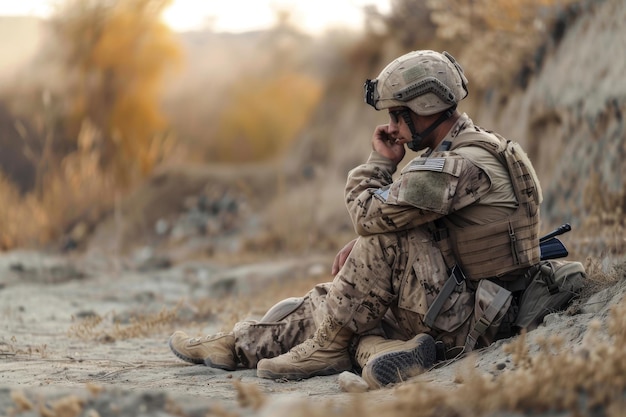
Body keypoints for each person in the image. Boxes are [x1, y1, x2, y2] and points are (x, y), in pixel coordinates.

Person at [168, 50, 543, 389]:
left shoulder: (459, 166)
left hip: (471, 324)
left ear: (425, 106)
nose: (393, 127)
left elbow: (368, 216)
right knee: (340, 302)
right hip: (473, 308)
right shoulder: (482, 146)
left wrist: (380, 163)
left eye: (398, 114)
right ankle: (248, 345)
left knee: (373, 253)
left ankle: (325, 347)